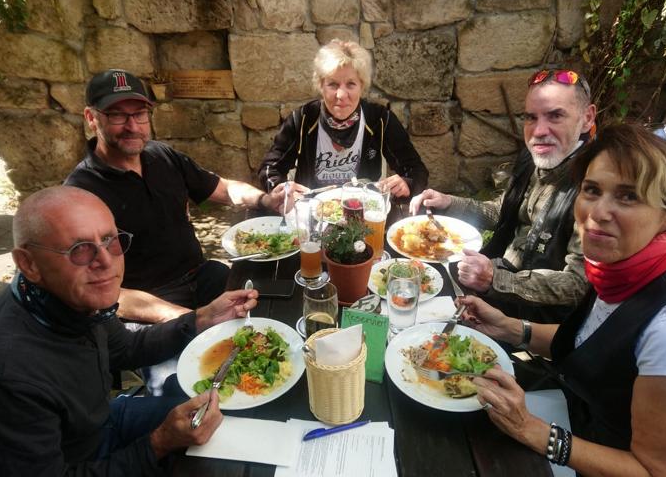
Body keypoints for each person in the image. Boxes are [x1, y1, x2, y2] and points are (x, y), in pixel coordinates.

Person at [457, 124, 666, 476]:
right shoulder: (623, 267)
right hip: (579, 419)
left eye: (628, 197)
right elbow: (594, 341)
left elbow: (655, 472)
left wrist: (530, 429)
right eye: (592, 190)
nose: (597, 212)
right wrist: (509, 327)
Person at [0, 186, 259, 475]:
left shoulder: (63, 299)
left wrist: (201, 318)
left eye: (109, 241)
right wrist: (159, 443)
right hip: (77, 458)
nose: (106, 262)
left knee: (234, 420)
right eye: (79, 249)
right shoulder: (1, 376)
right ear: (29, 264)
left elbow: (125, 348)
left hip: (99, 424)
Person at [65, 69, 306, 395]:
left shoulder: (162, 156)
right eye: (118, 115)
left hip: (202, 277)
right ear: (91, 118)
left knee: (275, 322)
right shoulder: (81, 195)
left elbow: (222, 188)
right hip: (147, 309)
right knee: (180, 390)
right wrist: (190, 318)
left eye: (139, 114)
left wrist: (266, 200)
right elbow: (104, 294)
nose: (132, 125)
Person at [410, 69, 597, 323]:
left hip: (533, 321)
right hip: (493, 280)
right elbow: (503, 211)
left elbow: (578, 285)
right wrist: (449, 202)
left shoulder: (594, 187)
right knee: (411, 281)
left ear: (587, 118)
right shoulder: (533, 158)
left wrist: (495, 279)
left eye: (555, 116)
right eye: (531, 117)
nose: (539, 130)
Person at [257, 39, 428, 198]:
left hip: (364, 211)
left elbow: (416, 170)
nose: (341, 94)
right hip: (311, 211)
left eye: (351, 84)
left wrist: (407, 183)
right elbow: (269, 169)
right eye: (333, 84)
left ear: (361, 86)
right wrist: (281, 190)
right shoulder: (303, 119)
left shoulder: (380, 120)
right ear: (321, 86)